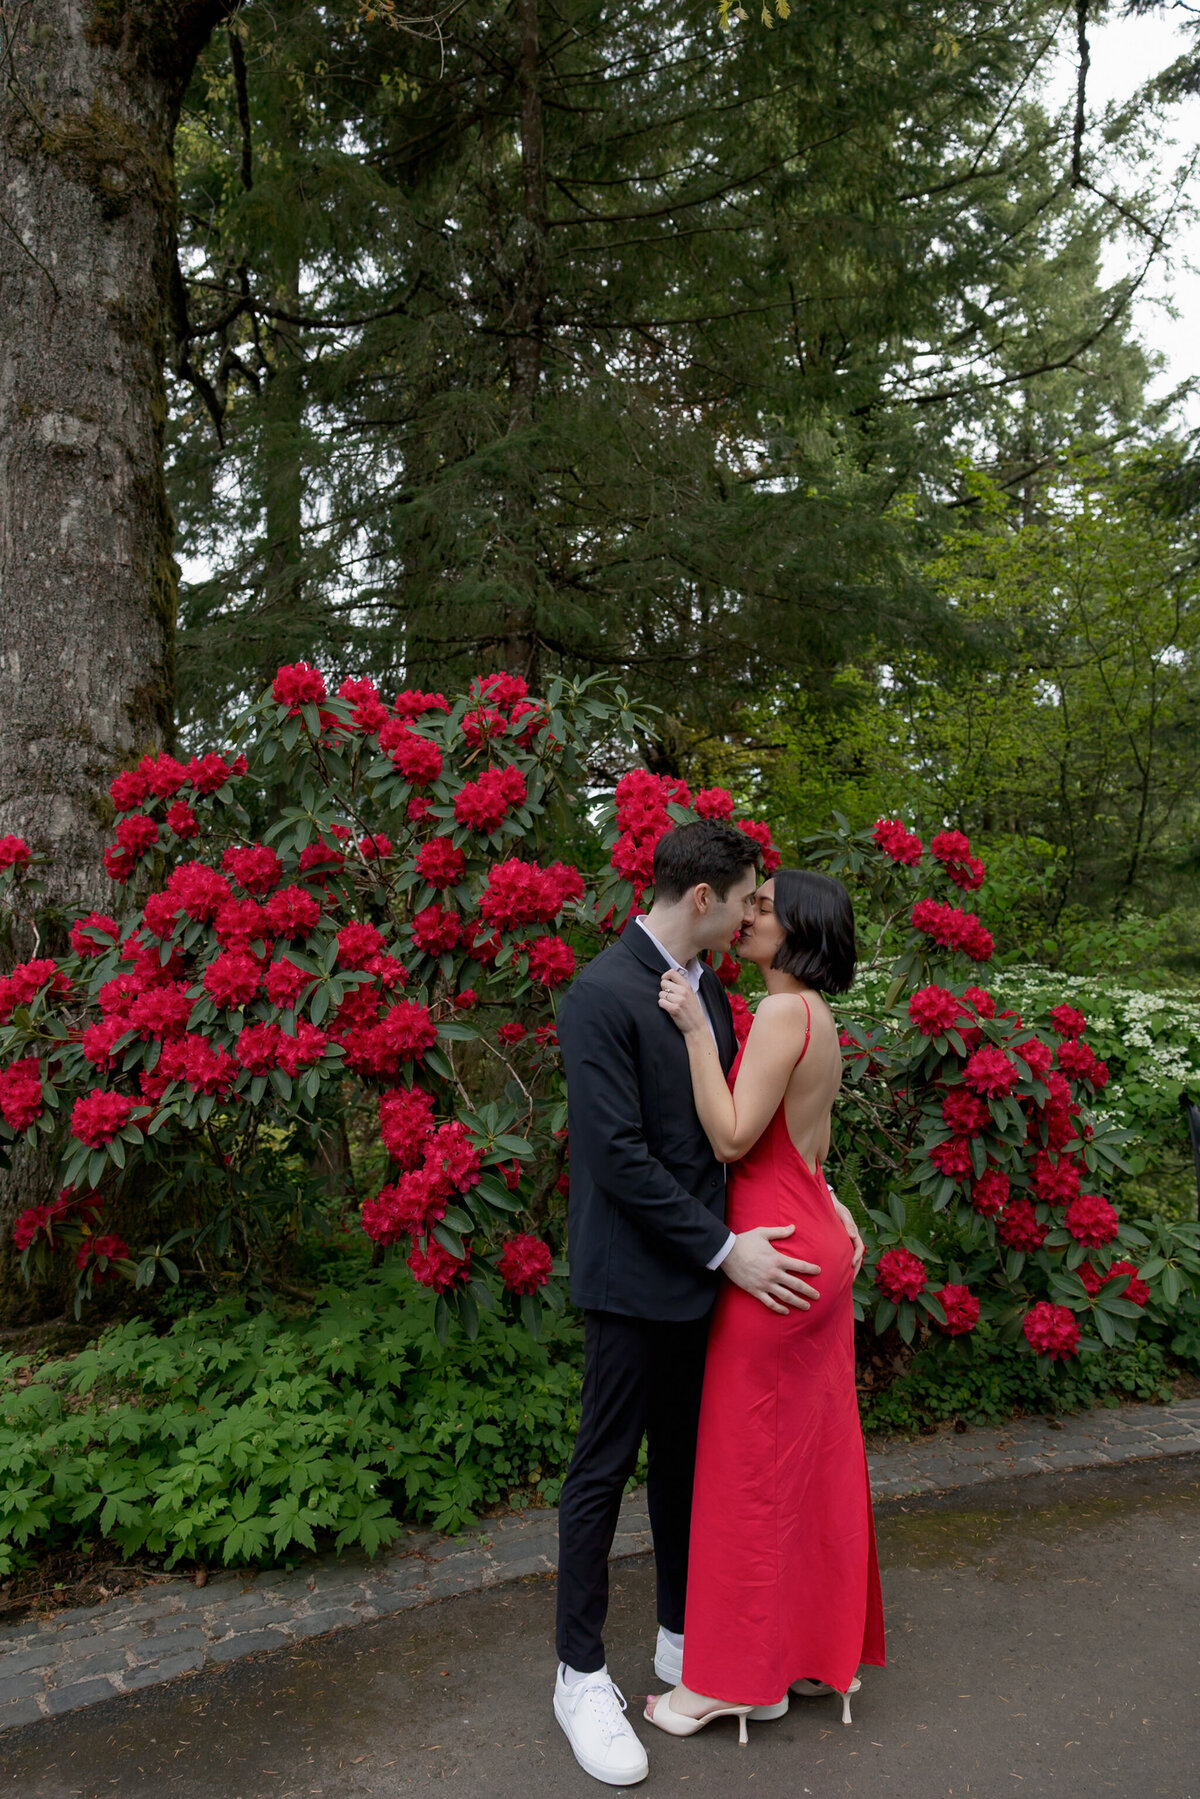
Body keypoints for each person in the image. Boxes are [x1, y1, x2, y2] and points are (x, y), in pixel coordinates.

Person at [553, 825, 864, 1786]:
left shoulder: (725, 994)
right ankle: (580, 1676)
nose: (749, 916)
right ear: (702, 898)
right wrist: (727, 1249)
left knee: (694, 1469)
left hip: (718, 1280)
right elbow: (621, 1158)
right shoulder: (599, 993)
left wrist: (822, 1198)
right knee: (604, 1470)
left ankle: (688, 1643)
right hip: (643, 1278)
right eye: (745, 900)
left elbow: (751, 1129)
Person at [644, 867, 885, 1748]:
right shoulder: (818, 1017)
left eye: (765, 909)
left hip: (773, 1258)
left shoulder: (783, 1012)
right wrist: (842, 1212)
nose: (748, 916)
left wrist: (694, 1034)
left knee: (745, 1465)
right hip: (812, 1233)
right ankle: (793, 1659)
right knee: (806, 1459)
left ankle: (725, 1683)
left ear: (799, 932)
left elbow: (735, 1135)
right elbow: (807, 1144)